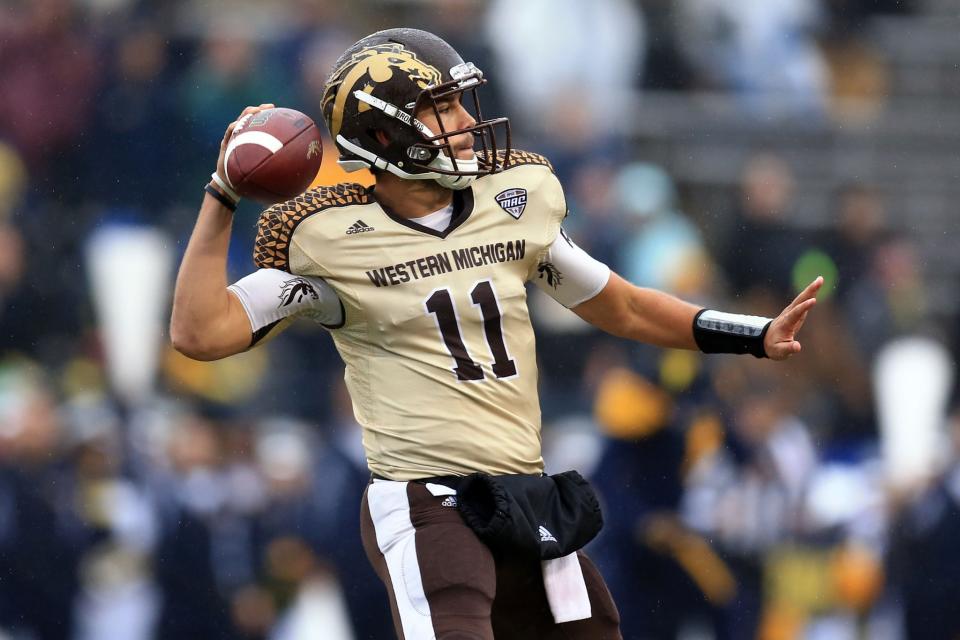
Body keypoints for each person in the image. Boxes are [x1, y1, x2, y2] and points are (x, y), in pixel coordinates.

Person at [170, 28, 822, 640]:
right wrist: (222, 192)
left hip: (523, 496)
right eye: (441, 109)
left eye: (460, 103)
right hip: (427, 499)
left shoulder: (512, 202)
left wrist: (752, 335)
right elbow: (200, 333)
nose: (463, 123)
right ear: (384, 132)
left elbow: (620, 306)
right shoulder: (329, 240)